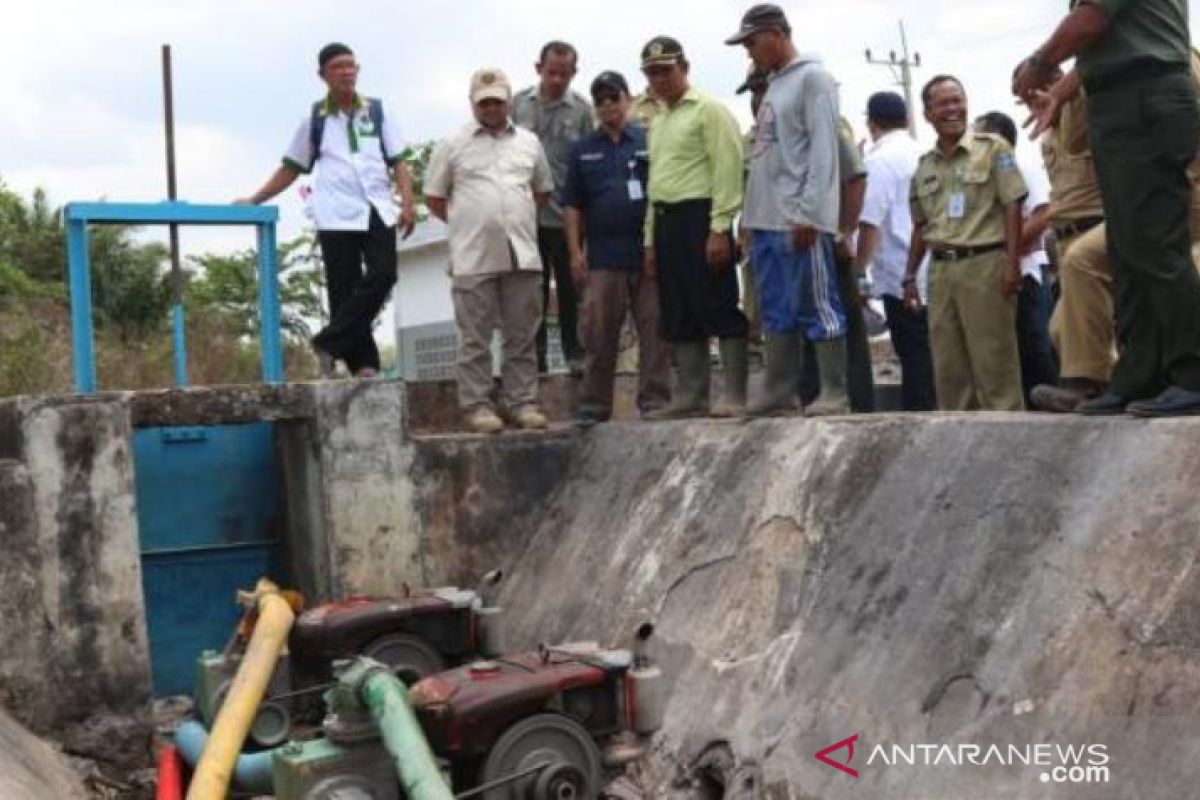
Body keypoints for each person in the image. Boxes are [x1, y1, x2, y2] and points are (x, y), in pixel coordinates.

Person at [1014, 0, 1200, 416]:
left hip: (1143, 97)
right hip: (1123, 97)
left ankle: (1192, 373)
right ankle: (1137, 377)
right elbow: (1109, 38)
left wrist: (1040, 63)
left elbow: (1092, 19)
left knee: (1154, 245)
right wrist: (1061, 91)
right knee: (1127, 248)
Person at [237, 42, 416, 379]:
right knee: (343, 288)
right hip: (335, 210)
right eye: (338, 67)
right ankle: (362, 363)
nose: (347, 72)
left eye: (351, 65)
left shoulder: (378, 111)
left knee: (384, 273)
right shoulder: (315, 119)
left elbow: (399, 162)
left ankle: (327, 342)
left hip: (377, 205)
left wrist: (408, 203)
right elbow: (292, 167)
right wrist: (256, 198)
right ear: (323, 75)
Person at [727, 4, 847, 416]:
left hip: (798, 214)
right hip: (766, 217)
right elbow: (764, 155)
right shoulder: (773, 84)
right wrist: (749, 215)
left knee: (818, 301)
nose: (750, 52)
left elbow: (823, 151)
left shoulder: (814, 78)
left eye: (752, 42)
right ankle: (779, 387)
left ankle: (834, 389)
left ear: (776, 34)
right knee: (774, 306)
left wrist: (811, 213)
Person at [424, 68, 554, 434]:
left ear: (509, 100)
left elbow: (542, 191)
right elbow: (434, 197)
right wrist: (471, 221)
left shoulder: (529, 142)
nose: (492, 108)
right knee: (475, 338)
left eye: (497, 100)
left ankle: (522, 402)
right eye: (484, 103)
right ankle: (477, 406)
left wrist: (513, 214)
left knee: (522, 335)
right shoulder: (452, 145)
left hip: (523, 253)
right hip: (473, 256)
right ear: (472, 104)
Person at [904, 75, 1027, 411]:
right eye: (943, 103)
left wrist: (1012, 264)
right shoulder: (924, 166)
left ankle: (1007, 446)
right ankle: (959, 447)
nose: (952, 109)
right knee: (949, 371)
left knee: (995, 366)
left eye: (957, 100)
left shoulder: (993, 150)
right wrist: (909, 277)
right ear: (927, 113)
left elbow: (1012, 205)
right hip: (941, 271)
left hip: (984, 266)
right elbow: (920, 225)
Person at [640, 35, 748, 419]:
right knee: (679, 310)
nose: (660, 79)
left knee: (717, 302)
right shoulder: (658, 120)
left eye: (666, 70)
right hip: (667, 220)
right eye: (652, 73)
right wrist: (650, 241)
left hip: (701, 216)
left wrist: (720, 227)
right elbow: (656, 184)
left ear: (684, 68)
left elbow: (728, 169)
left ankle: (735, 394)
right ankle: (691, 396)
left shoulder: (709, 110)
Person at [562, 71, 671, 424]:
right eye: (601, 100)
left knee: (655, 330)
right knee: (598, 333)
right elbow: (572, 206)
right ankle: (594, 405)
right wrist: (575, 253)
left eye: (614, 97)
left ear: (628, 99)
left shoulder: (649, 141)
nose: (608, 105)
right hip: (603, 258)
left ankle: (655, 401)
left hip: (648, 254)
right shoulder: (583, 151)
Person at [513, 41, 595, 376]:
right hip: (526, 215)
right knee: (532, 292)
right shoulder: (518, 104)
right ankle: (537, 359)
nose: (557, 79)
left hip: (568, 217)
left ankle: (574, 354)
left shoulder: (582, 110)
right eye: (551, 72)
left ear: (574, 73)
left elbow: (591, 160)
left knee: (571, 289)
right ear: (538, 69)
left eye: (565, 73)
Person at [853, 91, 936, 411]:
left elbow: (869, 222)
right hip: (931, 266)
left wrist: (859, 273)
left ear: (871, 123)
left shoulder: (878, 161)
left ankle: (919, 419)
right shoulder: (924, 151)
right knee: (931, 353)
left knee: (914, 355)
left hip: (900, 273)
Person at [974, 111, 1059, 407]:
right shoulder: (986, 176)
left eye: (979, 136)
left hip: (1026, 273)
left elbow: (1044, 213)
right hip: (996, 273)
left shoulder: (1024, 168)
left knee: (1035, 345)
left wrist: (1010, 247)